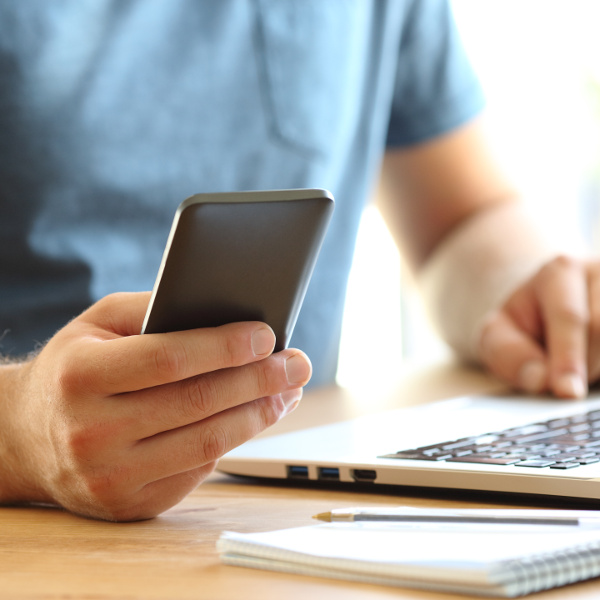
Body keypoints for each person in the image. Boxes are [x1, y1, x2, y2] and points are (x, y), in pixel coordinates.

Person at [0, 0, 596, 521]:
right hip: (39, 539)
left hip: (294, 509)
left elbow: (462, 215)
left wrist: (531, 289)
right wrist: (20, 436)